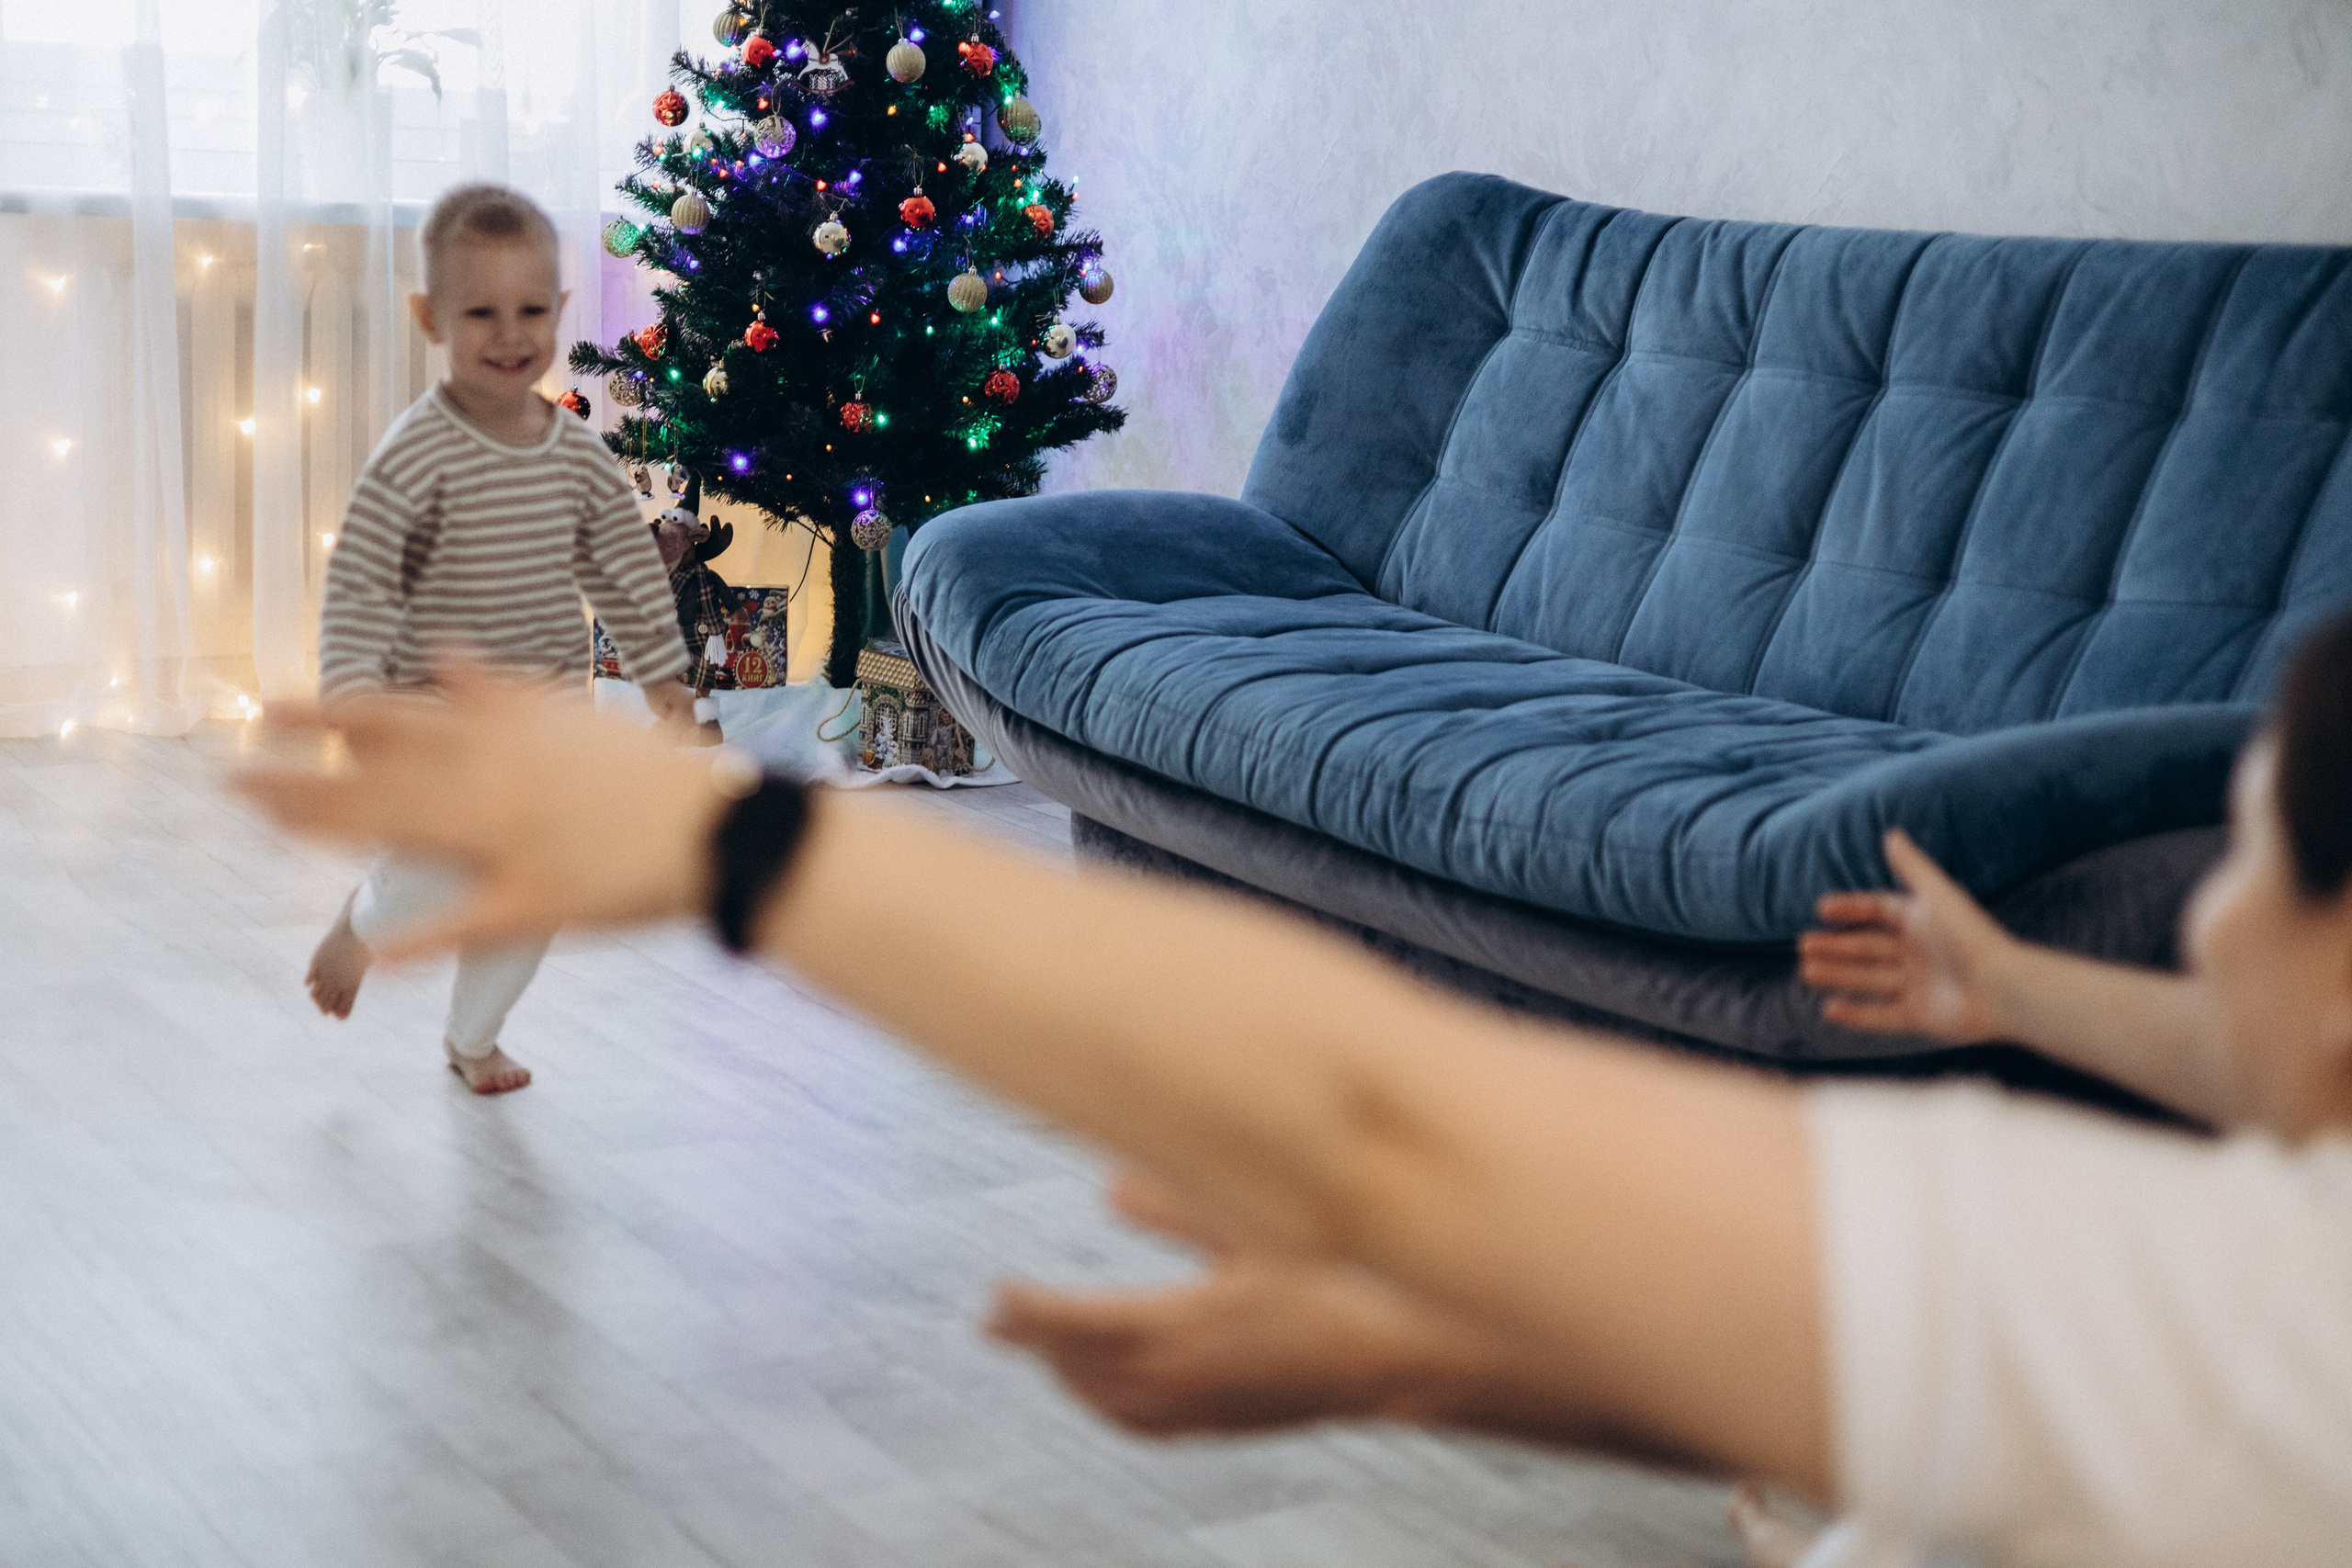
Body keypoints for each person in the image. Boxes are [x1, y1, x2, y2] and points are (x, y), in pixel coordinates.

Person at [235, 606, 2352, 1566]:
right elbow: (2206, 1082)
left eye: (2246, 857)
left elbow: (1379, 1108)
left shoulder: (2279, 1328)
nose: (2204, 910)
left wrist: (730, 844)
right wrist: (1455, 1354)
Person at [302, 184, 696, 1094]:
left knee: (535, 888)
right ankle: (362, 925)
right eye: (480, 312)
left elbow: (623, 572)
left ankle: (473, 1036)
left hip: (546, 716)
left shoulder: (575, 455)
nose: (509, 334)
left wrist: (664, 679)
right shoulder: (417, 454)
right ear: (429, 317)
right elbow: (361, 576)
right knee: (433, 874)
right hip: (435, 714)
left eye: (529, 311)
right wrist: (353, 690)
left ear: (559, 313)